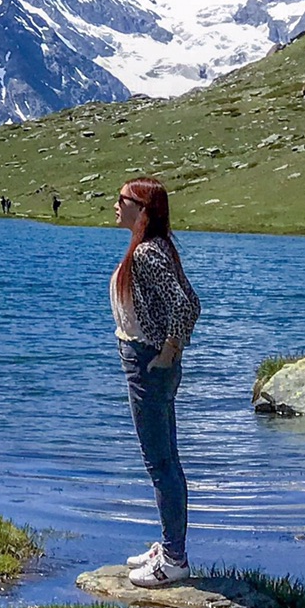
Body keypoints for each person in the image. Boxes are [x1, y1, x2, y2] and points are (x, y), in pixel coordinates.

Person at [110, 177, 202, 587]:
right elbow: (187, 302)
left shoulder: (146, 253)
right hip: (148, 360)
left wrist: (168, 350)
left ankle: (174, 558)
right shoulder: (155, 248)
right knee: (166, 459)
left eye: (122, 200)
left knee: (160, 462)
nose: (116, 206)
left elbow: (187, 306)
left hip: (147, 362)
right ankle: (168, 546)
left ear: (142, 209)